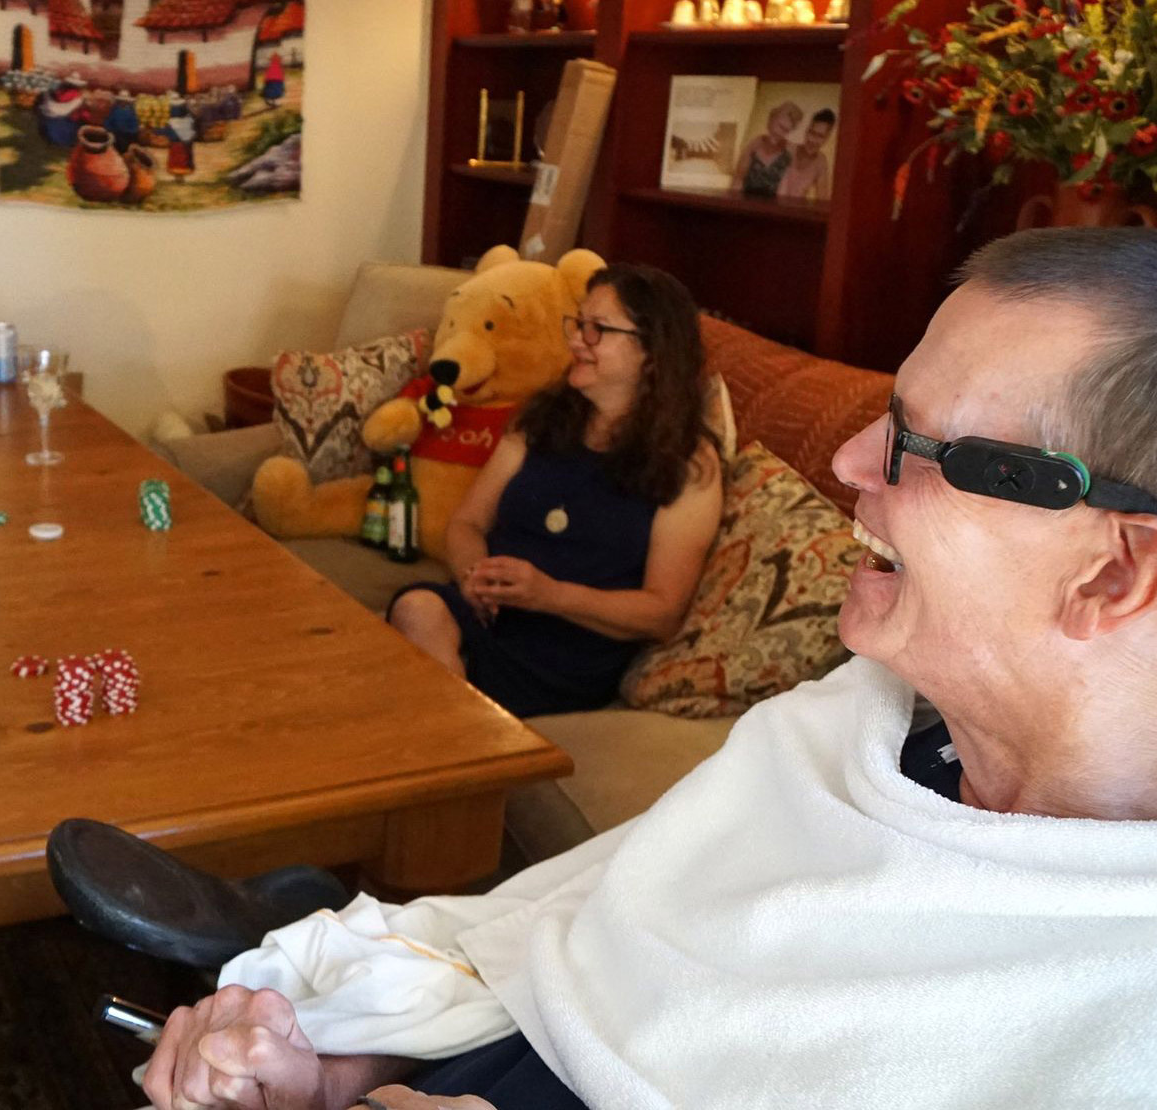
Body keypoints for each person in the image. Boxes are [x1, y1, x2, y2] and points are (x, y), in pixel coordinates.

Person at [139, 227, 1157, 1109]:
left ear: (1114, 573)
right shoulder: (850, 727)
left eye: (919, 444)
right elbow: (568, 930)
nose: (846, 463)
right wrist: (337, 1064)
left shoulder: (1114, 1022)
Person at [386, 264, 723, 718]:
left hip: (567, 650)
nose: (576, 340)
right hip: (487, 615)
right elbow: (467, 523)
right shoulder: (543, 418)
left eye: (597, 329)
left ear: (652, 352)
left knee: (407, 683)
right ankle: (463, 736)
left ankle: (461, 745)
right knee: (417, 608)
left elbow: (662, 613)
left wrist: (548, 594)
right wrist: (474, 579)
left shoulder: (687, 464)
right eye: (578, 323)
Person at [731, 100, 802, 198]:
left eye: (786, 131)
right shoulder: (754, 144)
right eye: (780, 126)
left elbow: (788, 192)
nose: (780, 133)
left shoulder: (790, 153)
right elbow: (738, 180)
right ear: (771, 119)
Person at [777, 107, 837, 201]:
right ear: (807, 130)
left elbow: (823, 200)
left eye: (820, 136)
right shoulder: (787, 148)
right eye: (812, 133)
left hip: (793, 213)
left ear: (826, 139)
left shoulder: (821, 162)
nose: (812, 140)